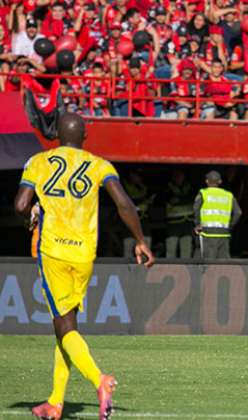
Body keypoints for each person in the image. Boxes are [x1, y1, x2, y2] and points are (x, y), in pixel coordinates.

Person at [15, 113, 155, 420]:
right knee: (66, 326)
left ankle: (99, 380)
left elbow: (21, 205)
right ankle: (55, 403)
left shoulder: (39, 161)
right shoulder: (100, 165)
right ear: (85, 136)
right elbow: (123, 204)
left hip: (53, 252)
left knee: (63, 326)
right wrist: (140, 239)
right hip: (84, 255)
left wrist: (32, 218)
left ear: (57, 136)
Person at [194, 170, 242, 259]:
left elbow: (196, 209)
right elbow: (238, 213)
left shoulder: (203, 194)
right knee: (223, 264)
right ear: (220, 182)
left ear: (206, 181)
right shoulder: (228, 195)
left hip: (208, 234)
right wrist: (230, 226)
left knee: (209, 263)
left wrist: (197, 224)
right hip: (224, 234)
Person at [165, 170, 195, 259]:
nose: (179, 178)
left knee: (186, 250)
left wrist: (179, 200)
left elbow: (193, 199)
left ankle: (185, 271)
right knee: (171, 249)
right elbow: (169, 200)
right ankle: (169, 270)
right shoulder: (168, 187)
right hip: (173, 223)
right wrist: (184, 199)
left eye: (181, 175)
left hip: (187, 222)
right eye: (176, 175)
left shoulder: (190, 187)